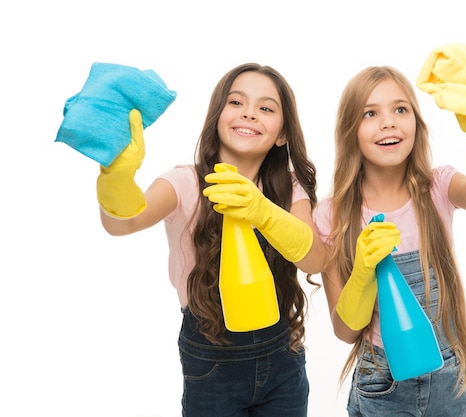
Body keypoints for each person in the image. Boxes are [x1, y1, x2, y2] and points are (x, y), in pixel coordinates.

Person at [96, 63, 326, 416]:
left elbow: (314, 259)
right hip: (211, 358)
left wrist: (262, 210)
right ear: (217, 116)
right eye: (236, 102)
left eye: (266, 108)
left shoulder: (288, 186)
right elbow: (122, 223)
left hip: (283, 356)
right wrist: (116, 178)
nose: (249, 113)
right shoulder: (185, 183)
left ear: (282, 134)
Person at [313, 47, 466, 416]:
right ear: (350, 130)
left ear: (416, 121)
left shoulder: (437, 187)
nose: (389, 122)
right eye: (370, 113)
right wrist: (364, 272)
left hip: (448, 376)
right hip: (381, 383)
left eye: (400, 109)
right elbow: (345, 332)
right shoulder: (333, 215)